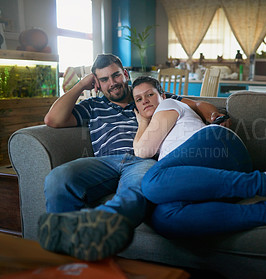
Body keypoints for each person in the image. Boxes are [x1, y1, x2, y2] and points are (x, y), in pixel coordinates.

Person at [38, 54, 229, 261]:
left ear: (125, 74)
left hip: (142, 161)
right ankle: (64, 256)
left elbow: (199, 104)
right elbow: (52, 119)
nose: (112, 83)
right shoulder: (92, 106)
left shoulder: (148, 97)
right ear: (97, 84)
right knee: (58, 178)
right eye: (104, 80)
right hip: (104, 163)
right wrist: (82, 83)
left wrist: (216, 117)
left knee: (135, 193)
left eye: (116, 75)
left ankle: (97, 230)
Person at [132, 76, 266, 238]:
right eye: (139, 100)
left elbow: (143, 151)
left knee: (151, 183)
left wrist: (141, 124)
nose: (145, 101)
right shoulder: (160, 122)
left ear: (163, 95)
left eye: (149, 94)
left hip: (214, 145)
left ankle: (262, 182)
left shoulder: (167, 106)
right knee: (164, 218)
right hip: (218, 173)